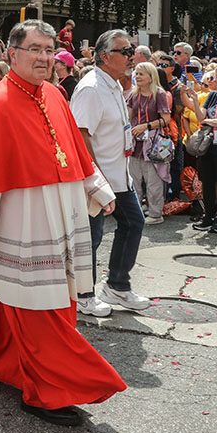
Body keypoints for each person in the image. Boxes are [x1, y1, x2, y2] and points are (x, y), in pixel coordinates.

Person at [0, 20, 125, 428]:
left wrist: (98, 189)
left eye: (49, 50)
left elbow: (74, 150)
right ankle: (47, 391)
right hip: (21, 223)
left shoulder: (57, 94)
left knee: (5, 301)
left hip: (62, 213)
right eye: (35, 50)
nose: (44, 57)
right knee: (44, 308)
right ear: (13, 54)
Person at [70, 30, 151, 316]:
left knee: (133, 223)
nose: (132, 56)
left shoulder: (114, 84)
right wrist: (96, 179)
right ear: (105, 56)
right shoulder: (92, 87)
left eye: (131, 51)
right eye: (125, 52)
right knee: (90, 239)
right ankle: (83, 296)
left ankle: (117, 286)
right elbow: (80, 135)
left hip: (119, 176)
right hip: (97, 179)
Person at [184, 65, 217, 233]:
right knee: (206, 182)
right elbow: (201, 117)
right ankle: (208, 216)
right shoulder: (213, 95)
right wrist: (194, 99)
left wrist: (208, 121)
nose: (213, 80)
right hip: (207, 144)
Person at [126, 61, 172, 224]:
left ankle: (155, 214)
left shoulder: (159, 94)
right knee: (134, 180)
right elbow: (128, 117)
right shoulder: (133, 94)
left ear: (151, 77)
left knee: (154, 181)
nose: (137, 77)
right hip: (135, 143)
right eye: (136, 74)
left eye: (141, 74)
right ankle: (136, 213)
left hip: (153, 143)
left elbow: (166, 119)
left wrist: (144, 126)